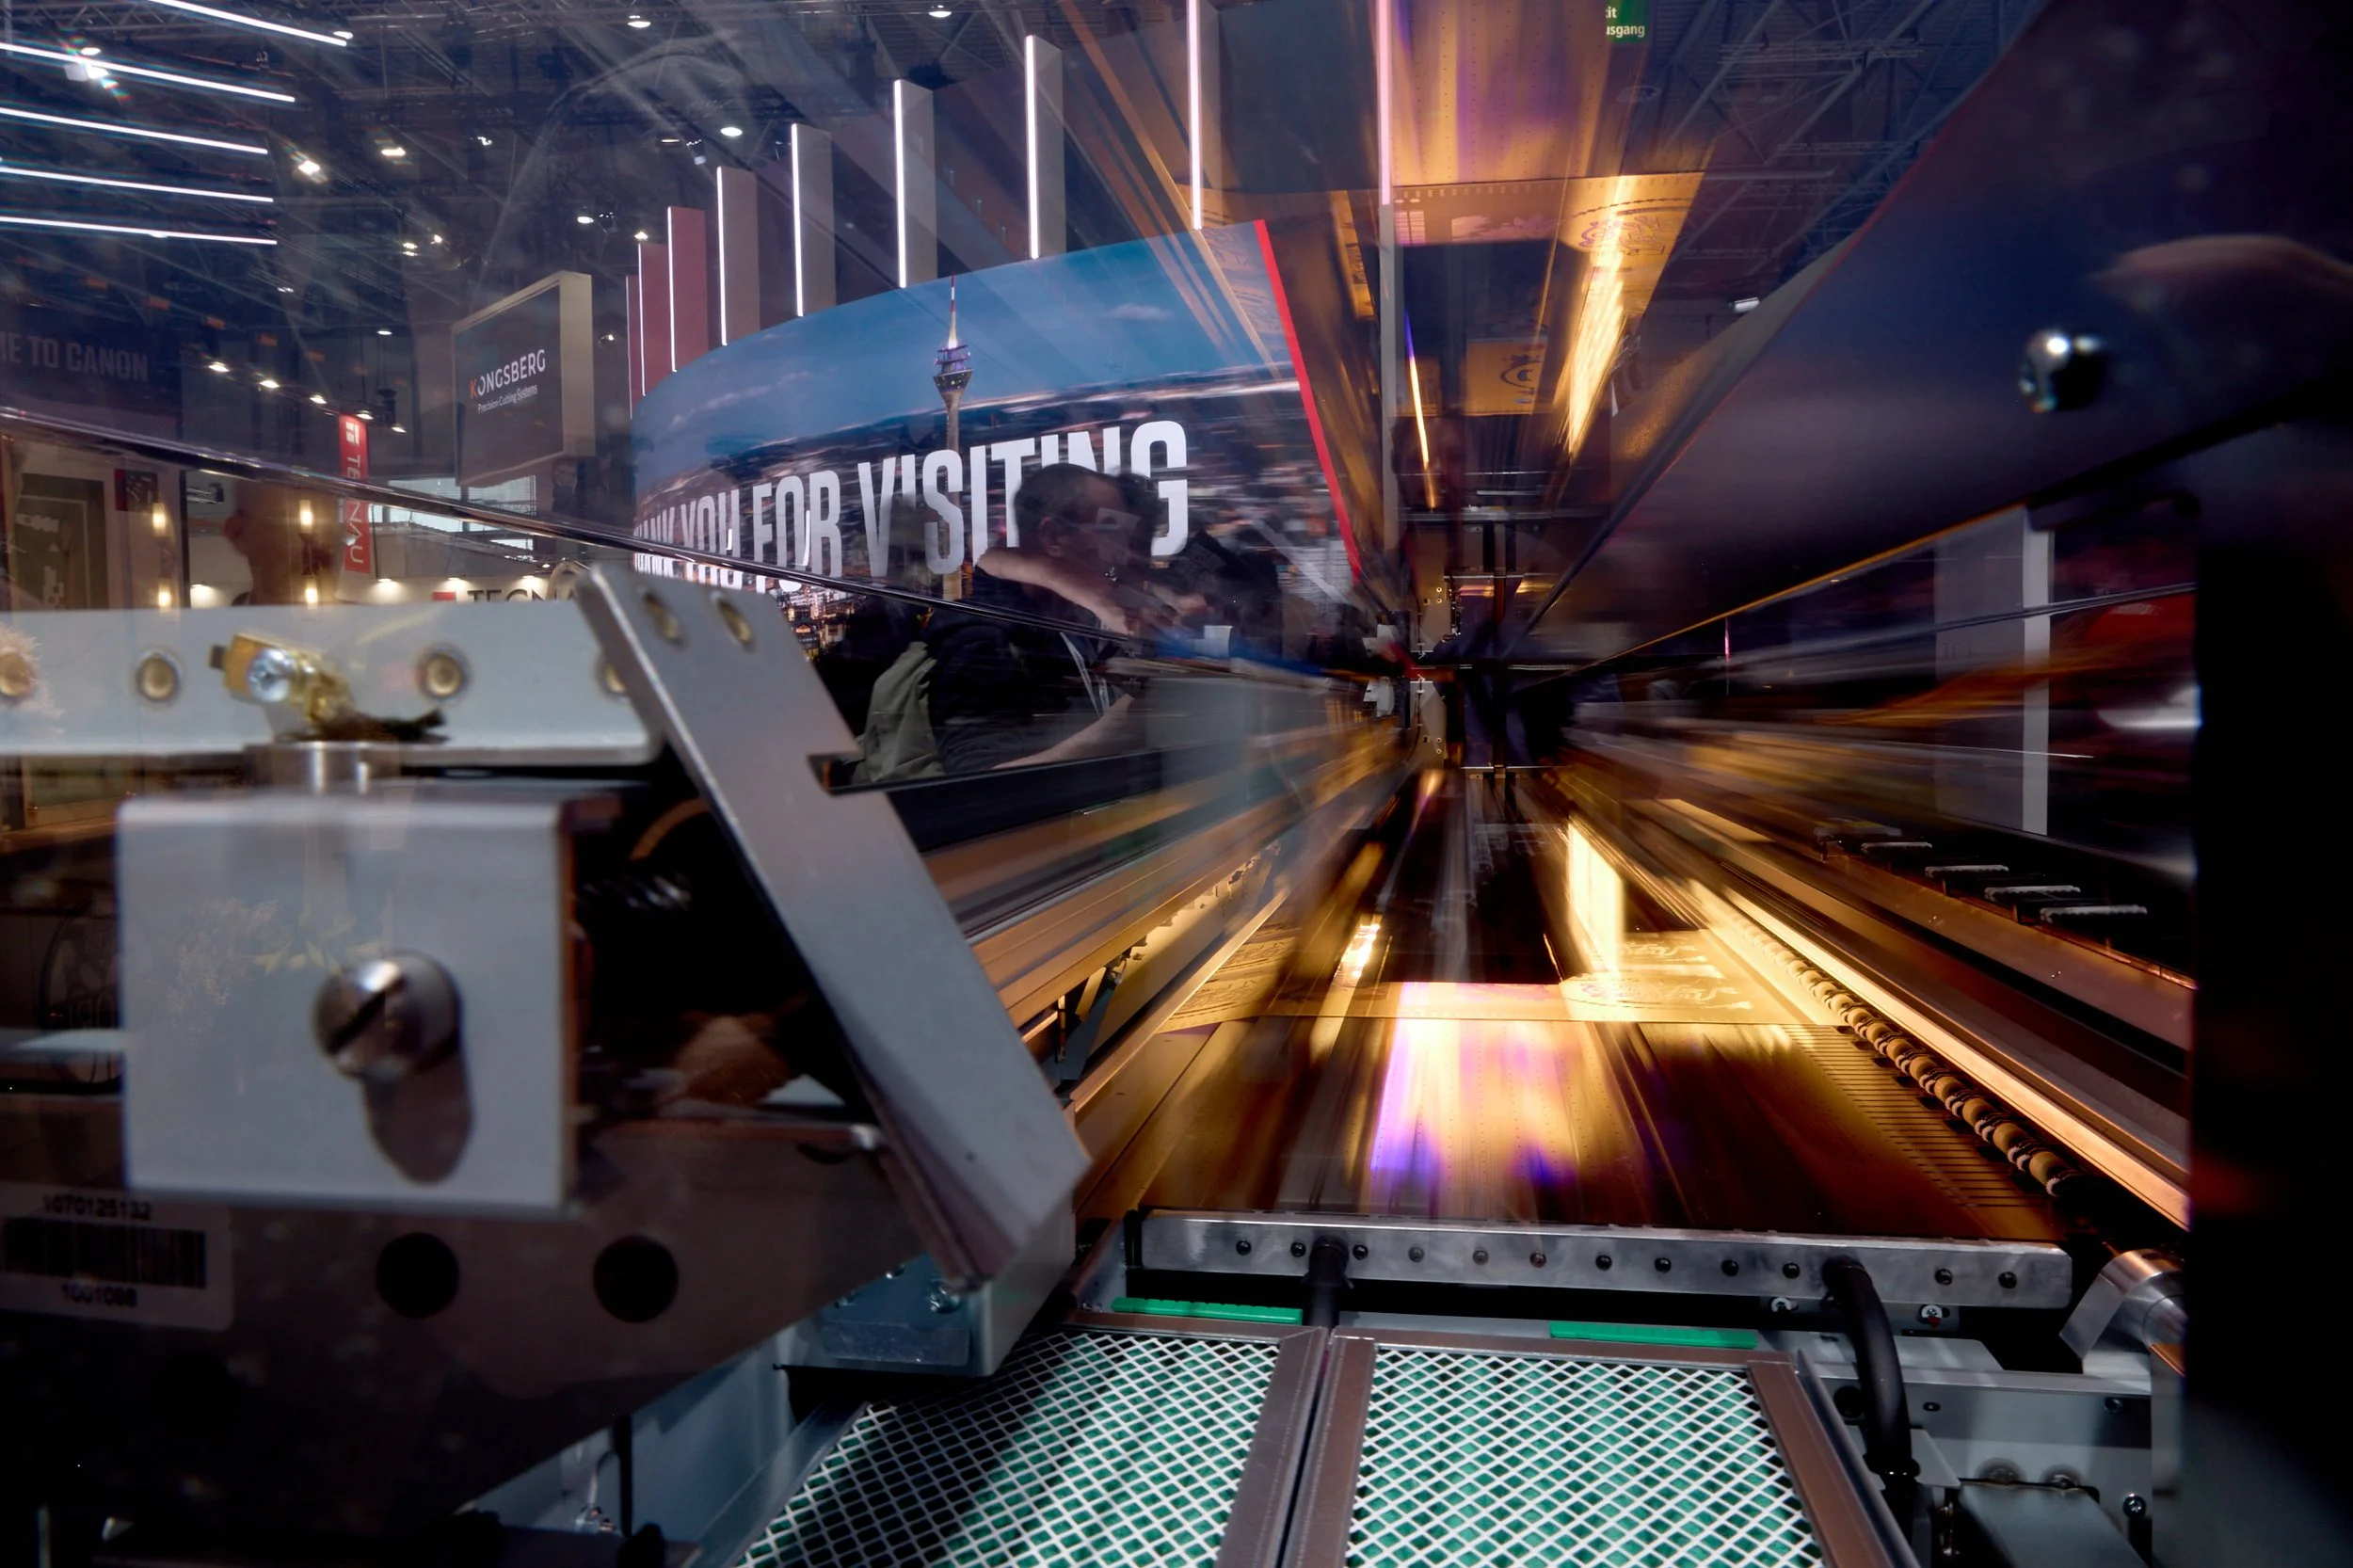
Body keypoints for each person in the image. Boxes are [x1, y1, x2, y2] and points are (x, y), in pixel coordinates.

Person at [925, 463, 1172, 774]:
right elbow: (975, 782)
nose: (1121, 553)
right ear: (1053, 536)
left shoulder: (1066, 620)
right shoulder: (984, 636)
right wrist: (1116, 731)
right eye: (1110, 531)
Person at [222, 481, 341, 606]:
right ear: (237, 533)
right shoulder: (217, 618)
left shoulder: (354, 615)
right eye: (285, 522)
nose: (316, 549)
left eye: (330, 528)